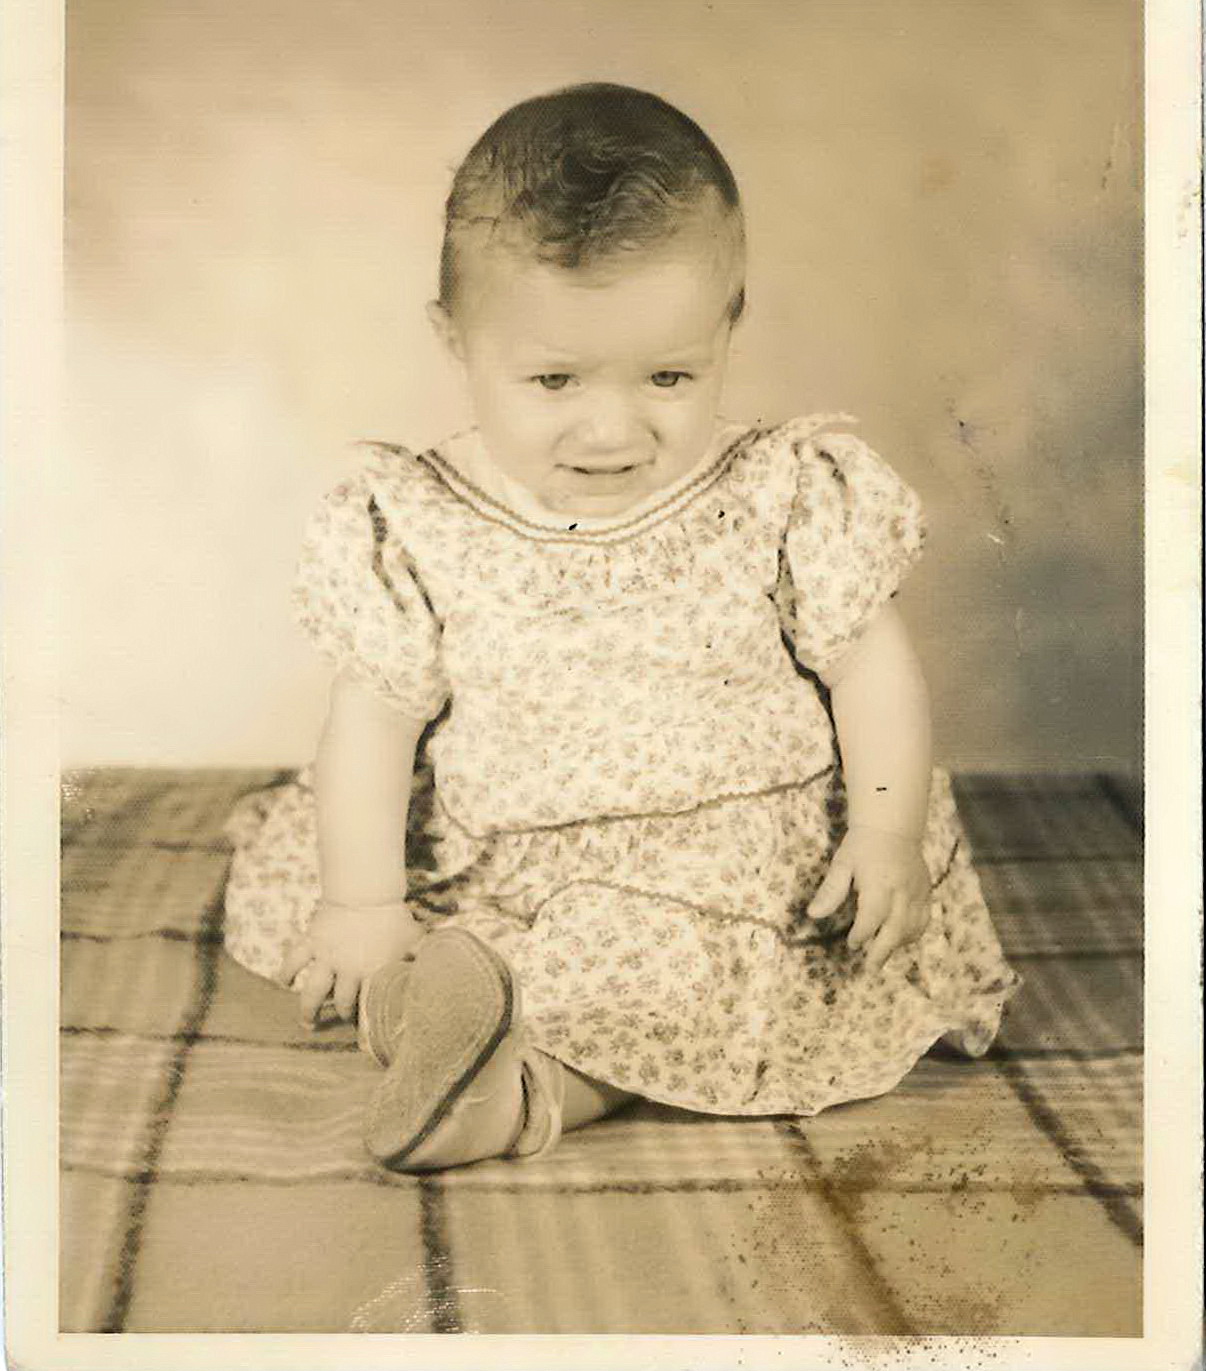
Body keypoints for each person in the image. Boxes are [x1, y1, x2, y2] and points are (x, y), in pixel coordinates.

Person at [223, 81, 1020, 1172]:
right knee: (426, 935)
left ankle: (524, 1095)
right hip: (505, 858)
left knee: (668, 972)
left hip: (733, 865)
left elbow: (870, 668)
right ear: (455, 338)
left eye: (669, 376)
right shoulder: (414, 518)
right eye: (553, 379)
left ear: (729, 322)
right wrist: (362, 903)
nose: (613, 429)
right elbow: (372, 719)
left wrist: (884, 836)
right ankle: (437, 1013)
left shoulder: (783, 491)